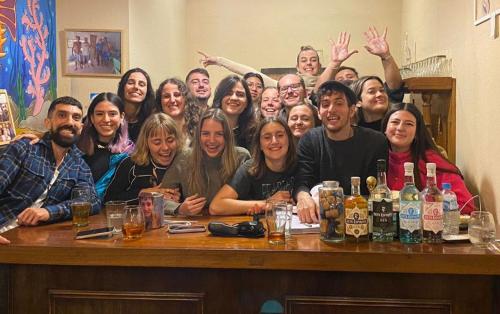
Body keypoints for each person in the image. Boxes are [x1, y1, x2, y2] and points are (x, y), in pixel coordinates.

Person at [294, 81, 388, 223]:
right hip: (319, 221)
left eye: (338, 103)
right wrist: (303, 196)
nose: (331, 109)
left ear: (352, 110)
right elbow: (302, 181)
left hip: (361, 219)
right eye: (325, 104)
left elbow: (376, 190)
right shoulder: (310, 139)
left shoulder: (375, 142)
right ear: (319, 113)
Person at [0, 96, 100, 227]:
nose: (69, 122)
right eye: (62, 115)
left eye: (76, 117)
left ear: (81, 127)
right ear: (48, 123)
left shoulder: (79, 165)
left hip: (29, 237)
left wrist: (49, 212)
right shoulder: (24, 148)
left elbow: (92, 202)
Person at [382, 102, 474, 214]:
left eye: (409, 124)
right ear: (385, 128)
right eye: (395, 122)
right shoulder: (373, 157)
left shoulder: (430, 161)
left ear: (417, 133)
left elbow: (466, 204)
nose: (400, 128)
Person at [160, 108, 250, 215]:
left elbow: (252, 199)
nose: (212, 140)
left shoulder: (241, 157)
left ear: (227, 136)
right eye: (206, 134)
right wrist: (179, 208)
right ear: (199, 135)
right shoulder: (184, 158)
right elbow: (161, 199)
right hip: (194, 225)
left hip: (233, 222)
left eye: (219, 134)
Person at [210, 117, 296, 215]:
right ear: (260, 145)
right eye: (267, 137)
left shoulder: (300, 163)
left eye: (280, 135)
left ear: (289, 139)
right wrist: (267, 203)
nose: (274, 141)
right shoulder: (250, 168)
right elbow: (216, 206)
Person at [104, 113, 180, 205]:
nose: (165, 148)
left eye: (170, 140)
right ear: (146, 143)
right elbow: (109, 201)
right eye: (157, 142)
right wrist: (143, 193)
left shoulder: (185, 164)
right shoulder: (130, 164)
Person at [314, 26, 404, 103]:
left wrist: (386, 56)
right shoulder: (331, 105)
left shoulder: (375, 99)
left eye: (350, 76)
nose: (346, 80)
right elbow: (317, 95)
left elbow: (395, 89)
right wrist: (334, 63)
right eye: (340, 79)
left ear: (359, 80)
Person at [78, 92, 134, 199]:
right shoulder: (77, 150)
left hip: (115, 212)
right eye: (99, 114)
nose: (106, 119)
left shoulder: (130, 152)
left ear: (121, 117)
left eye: (112, 114)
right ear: (92, 118)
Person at [198, 45, 322, 92]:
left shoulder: (329, 85)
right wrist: (219, 60)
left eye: (313, 60)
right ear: (298, 67)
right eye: (304, 61)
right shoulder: (284, 87)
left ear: (319, 66)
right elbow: (251, 72)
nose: (309, 64)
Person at [212, 75, 256, 150]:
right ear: (220, 99)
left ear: (247, 103)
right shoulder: (205, 128)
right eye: (228, 93)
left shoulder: (254, 134)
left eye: (240, 95)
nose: (234, 98)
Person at [155, 78, 201, 146]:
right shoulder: (153, 129)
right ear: (160, 102)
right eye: (166, 96)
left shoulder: (199, 126)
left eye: (177, 95)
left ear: (186, 98)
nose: (172, 100)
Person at [117, 68, 156, 143]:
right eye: (131, 83)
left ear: (147, 91)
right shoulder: (112, 115)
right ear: (122, 87)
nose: (136, 87)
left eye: (141, 84)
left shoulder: (153, 120)